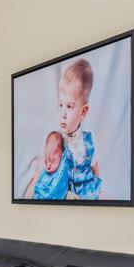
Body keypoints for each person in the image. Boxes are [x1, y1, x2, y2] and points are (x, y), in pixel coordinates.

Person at [57, 57, 102, 199]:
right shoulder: (58, 142)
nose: (63, 113)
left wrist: (100, 193)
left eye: (69, 106)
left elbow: (95, 169)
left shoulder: (90, 139)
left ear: (83, 112)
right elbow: (54, 179)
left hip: (91, 196)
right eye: (61, 105)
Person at [23, 130, 69, 199]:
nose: (48, 166)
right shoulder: (43, 172)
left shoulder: (63, 164)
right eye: (46, 161)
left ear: (62, 154)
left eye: (52, 161)